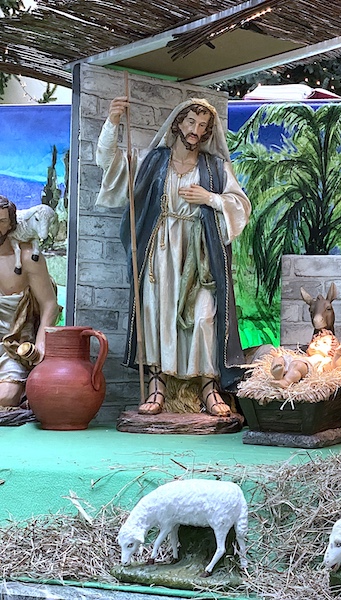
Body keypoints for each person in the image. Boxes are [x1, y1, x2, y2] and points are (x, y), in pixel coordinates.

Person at [95, 96, 251, 417]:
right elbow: (108, 163)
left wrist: (210, 198)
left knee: (205, 316)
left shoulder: (215, 167)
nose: (196, 130)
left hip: (201, 251)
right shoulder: (152, 161)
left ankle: (209, 387)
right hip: (161, 250)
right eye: (191, 122)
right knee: (158, 313)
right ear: (178, 123)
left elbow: (240, 205)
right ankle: (158, 386)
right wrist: (113, 121)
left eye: (203, 126)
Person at [0, 196, 60, 407]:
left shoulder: (27, 258)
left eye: (1, 221)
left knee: (6, 397)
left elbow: (49, 305)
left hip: (14, 347)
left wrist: (40, 346)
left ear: (11, 224)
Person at [269, 330, 341, 388]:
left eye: (324, 342)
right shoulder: (304, 356)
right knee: (281, 358)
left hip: (306, 367)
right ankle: (278, 372)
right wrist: (278, 356)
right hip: (294, 362)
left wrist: (338, 354)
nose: (318, 342)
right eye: (316, 340)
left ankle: (286, 381)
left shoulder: (324, 359)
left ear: (332, 351)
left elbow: (335, 367)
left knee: (297, 365)